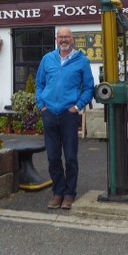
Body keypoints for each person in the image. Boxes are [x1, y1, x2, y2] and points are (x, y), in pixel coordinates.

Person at [35, 26, 94, 210]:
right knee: (53, 157)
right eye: (61, 37)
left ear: (72, 39)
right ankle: (57, 192)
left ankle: (69, 194)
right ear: (56, 39)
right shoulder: (47, 59)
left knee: (70, 157)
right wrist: (41, 105)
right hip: (50, 113)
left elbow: (89, 88)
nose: (64, 40)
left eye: (67, 37)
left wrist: (77, 107)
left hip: (69, 115)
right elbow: (39, 84)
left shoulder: (82, 61)